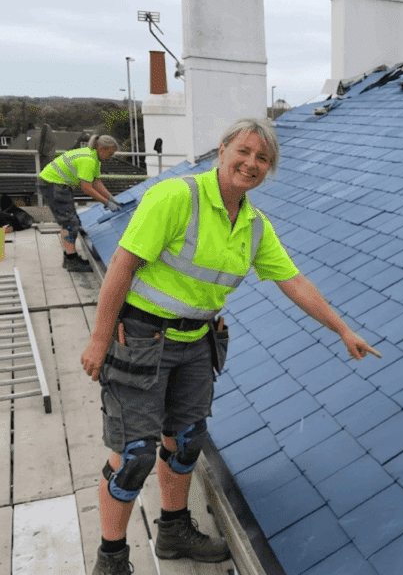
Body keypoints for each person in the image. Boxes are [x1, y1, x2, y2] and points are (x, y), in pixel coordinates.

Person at [80, 118, 381, 575]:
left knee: (185, 442)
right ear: (222, 150)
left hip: (197, 343)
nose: (251, 163)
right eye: (244, 151)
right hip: (139, 339)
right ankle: (112, 558)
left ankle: (173, 530)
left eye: (263, 159)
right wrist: (100, 339)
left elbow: (293, 280)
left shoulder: (255, 226)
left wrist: (343, 329)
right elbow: (122, 265)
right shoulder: (177, 197)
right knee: (133, 457)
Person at [37, 134, 123, 272]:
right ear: (101, 148)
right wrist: (106, 202)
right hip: (53, 185)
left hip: (56, 184)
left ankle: (68, 257)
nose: (111, 156)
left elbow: (96, 182)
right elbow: (86, 187)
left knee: (71, 222)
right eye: (110, 153)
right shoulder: (88, 159)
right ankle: (72, 261)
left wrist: (112, 199)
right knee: (70, 223)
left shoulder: (94, 158)